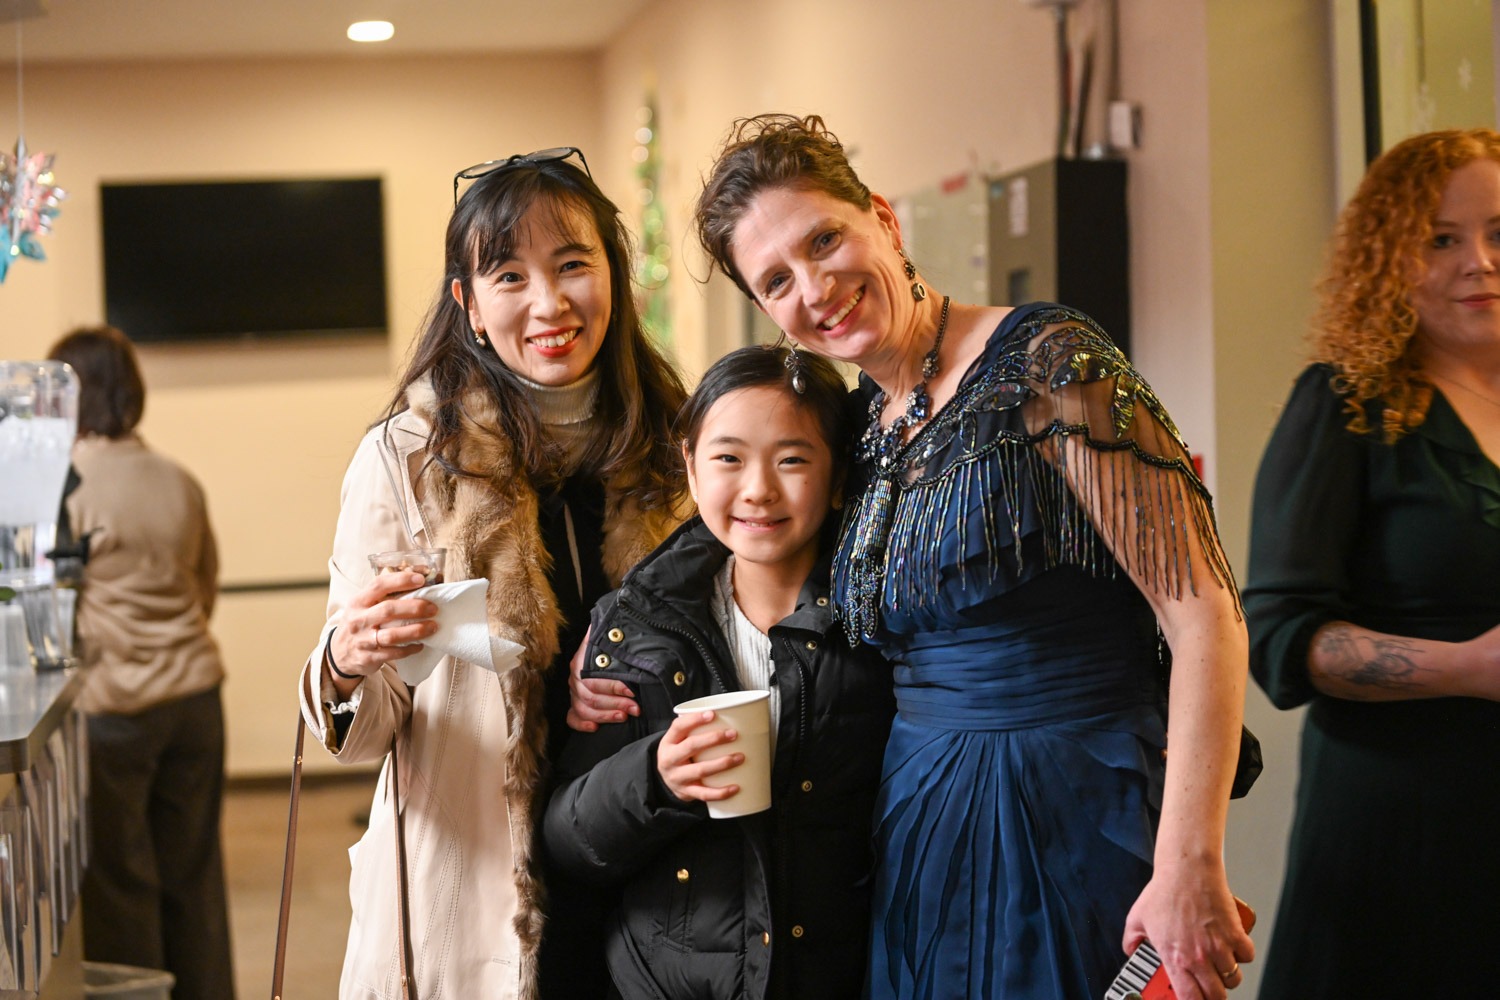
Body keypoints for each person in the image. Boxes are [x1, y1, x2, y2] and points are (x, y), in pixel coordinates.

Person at [673, 114, 1254, 1000]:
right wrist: (619, 633)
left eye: (825, 240)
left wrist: (1189, 860)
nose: (816, 288)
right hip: (918, 825)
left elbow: (1204, 611)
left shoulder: (1051, 364)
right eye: (777, 280)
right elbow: (742, 524)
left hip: (1072, 805)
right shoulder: (859, 430)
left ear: (882, 217)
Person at [295, 147, 687, 999]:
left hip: (656, 883)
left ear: (613, 277)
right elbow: (366, 730)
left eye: (572, 264)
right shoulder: (408, 458)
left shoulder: (679, 446)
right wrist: (348, 662)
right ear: (469, 305)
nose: (549, 303)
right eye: (509, 276)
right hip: (477, 895)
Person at [543, 346, 895, 1000]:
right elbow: (568, 844)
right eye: (729, 458)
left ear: (838, 475)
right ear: (691, 466)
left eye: (792, 460)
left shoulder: (881, 623)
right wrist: (655, 777)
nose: (758, 489)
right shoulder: (633, 629)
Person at [1244, 128, 1500, 997]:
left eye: (1499, 233)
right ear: (1389, 259)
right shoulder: (1346, 404)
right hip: (1402, 834)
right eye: (1442, 238)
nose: (1479, 262)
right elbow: (1279, 639)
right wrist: (1469, 668)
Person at [48, 325, 235, 1000]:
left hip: (114, 711)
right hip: (196, 701)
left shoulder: (67, 487)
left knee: (121, 887)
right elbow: (204, 586)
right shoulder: (179, 479)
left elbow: (51, 610)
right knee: (194, 879)